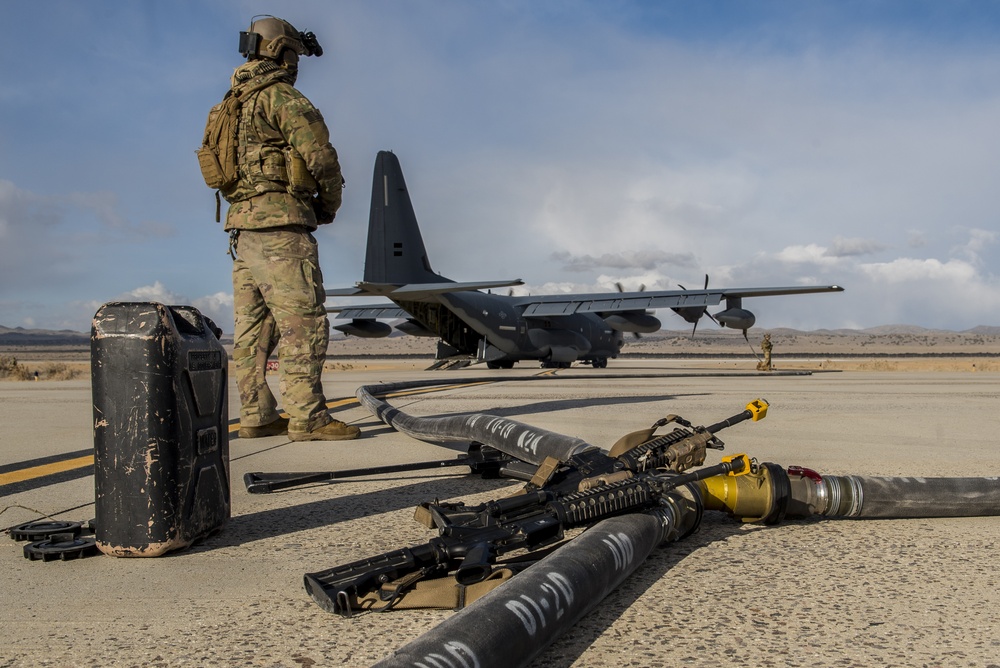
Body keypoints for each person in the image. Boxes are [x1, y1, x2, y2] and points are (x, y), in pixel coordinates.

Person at [204, 16, 358, 441]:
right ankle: (308, 417)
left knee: (255, 330)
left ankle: (255, 414)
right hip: (281, 229)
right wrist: (327, 206)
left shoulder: (226, 107)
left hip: (242, 231)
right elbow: (322, 158)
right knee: (303, 322)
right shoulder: (281, 98)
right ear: (281, 52)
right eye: (294, 53)